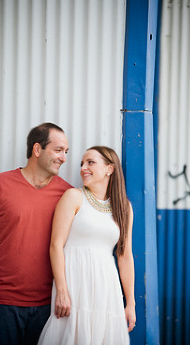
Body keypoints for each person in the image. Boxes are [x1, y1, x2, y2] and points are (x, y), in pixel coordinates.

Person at [0, 122, 73, 345]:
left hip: (47, 305)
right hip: (1, 301)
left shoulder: (67, 193)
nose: (64, 158)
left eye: (66, 152)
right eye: (58, 150)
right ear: (37, 150)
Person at [37, 146, 135, 344]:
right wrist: (62, 290)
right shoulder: (73, 196)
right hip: (74, 283)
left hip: (106, 286)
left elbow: (124, 256)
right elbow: (56, 245)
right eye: (82, 163)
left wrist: (130, 303)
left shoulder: (124, 207)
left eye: (90, 162)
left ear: (110, 169)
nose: (83, 168)